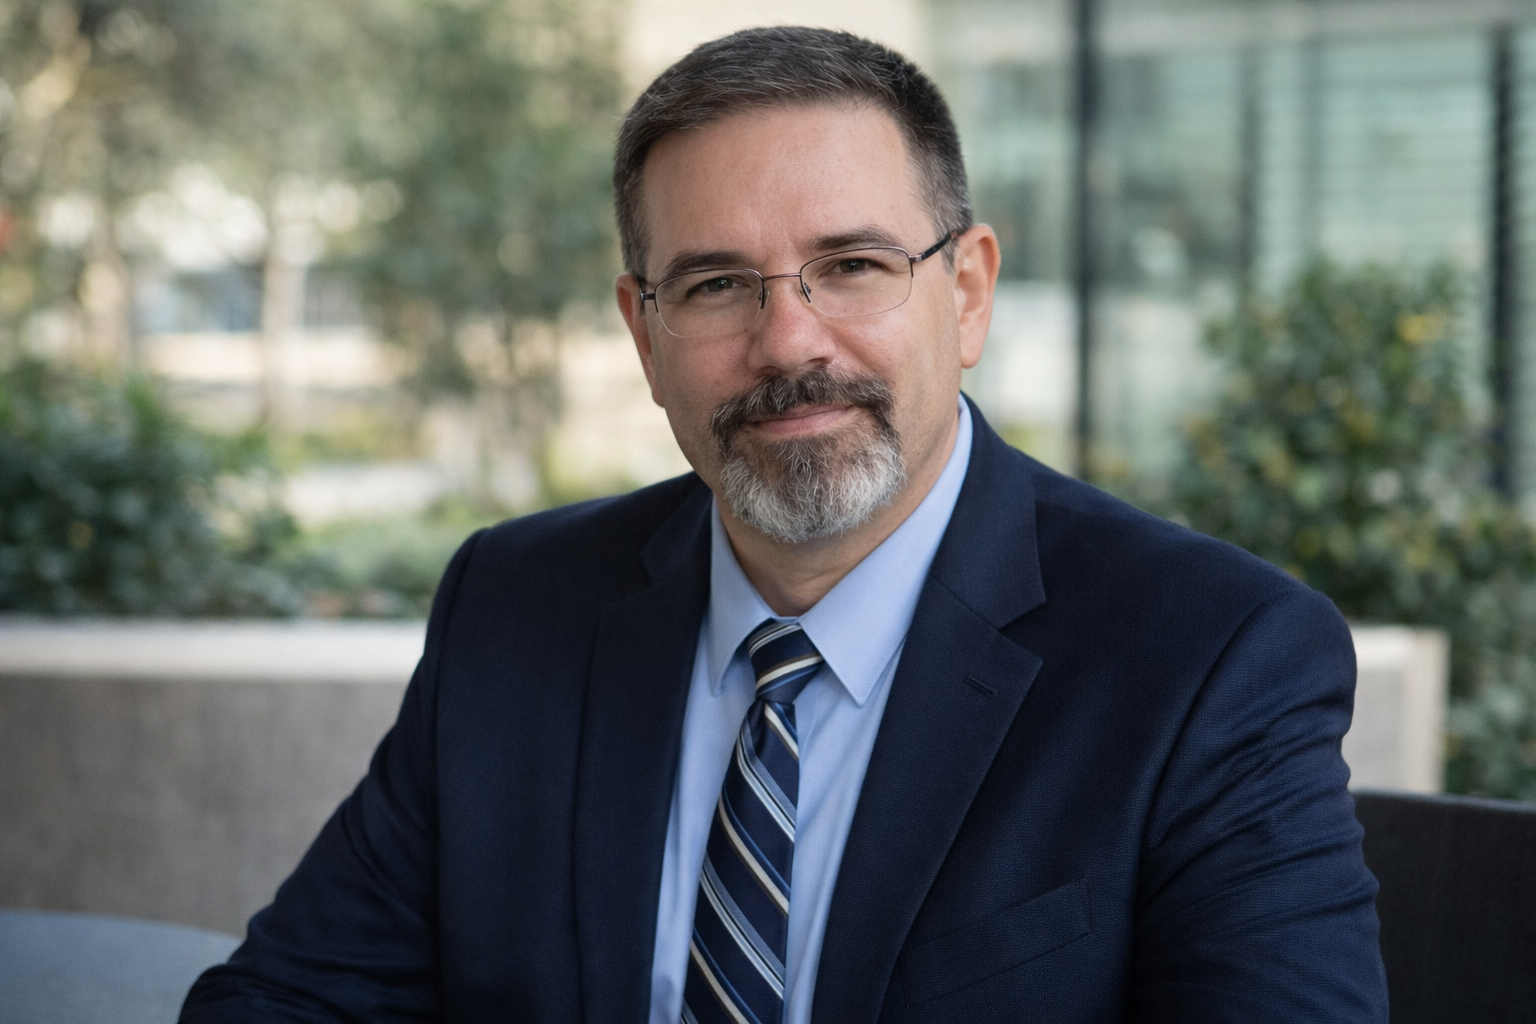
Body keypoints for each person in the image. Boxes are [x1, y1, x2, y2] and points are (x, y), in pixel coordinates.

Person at [182, 26, 1388, 1023]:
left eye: (853, 264)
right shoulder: (516, 607)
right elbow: (284, 1000)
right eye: (716, 285)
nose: (790, 341)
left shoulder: (1210, 658)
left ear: (966, 292)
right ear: (644, 334)